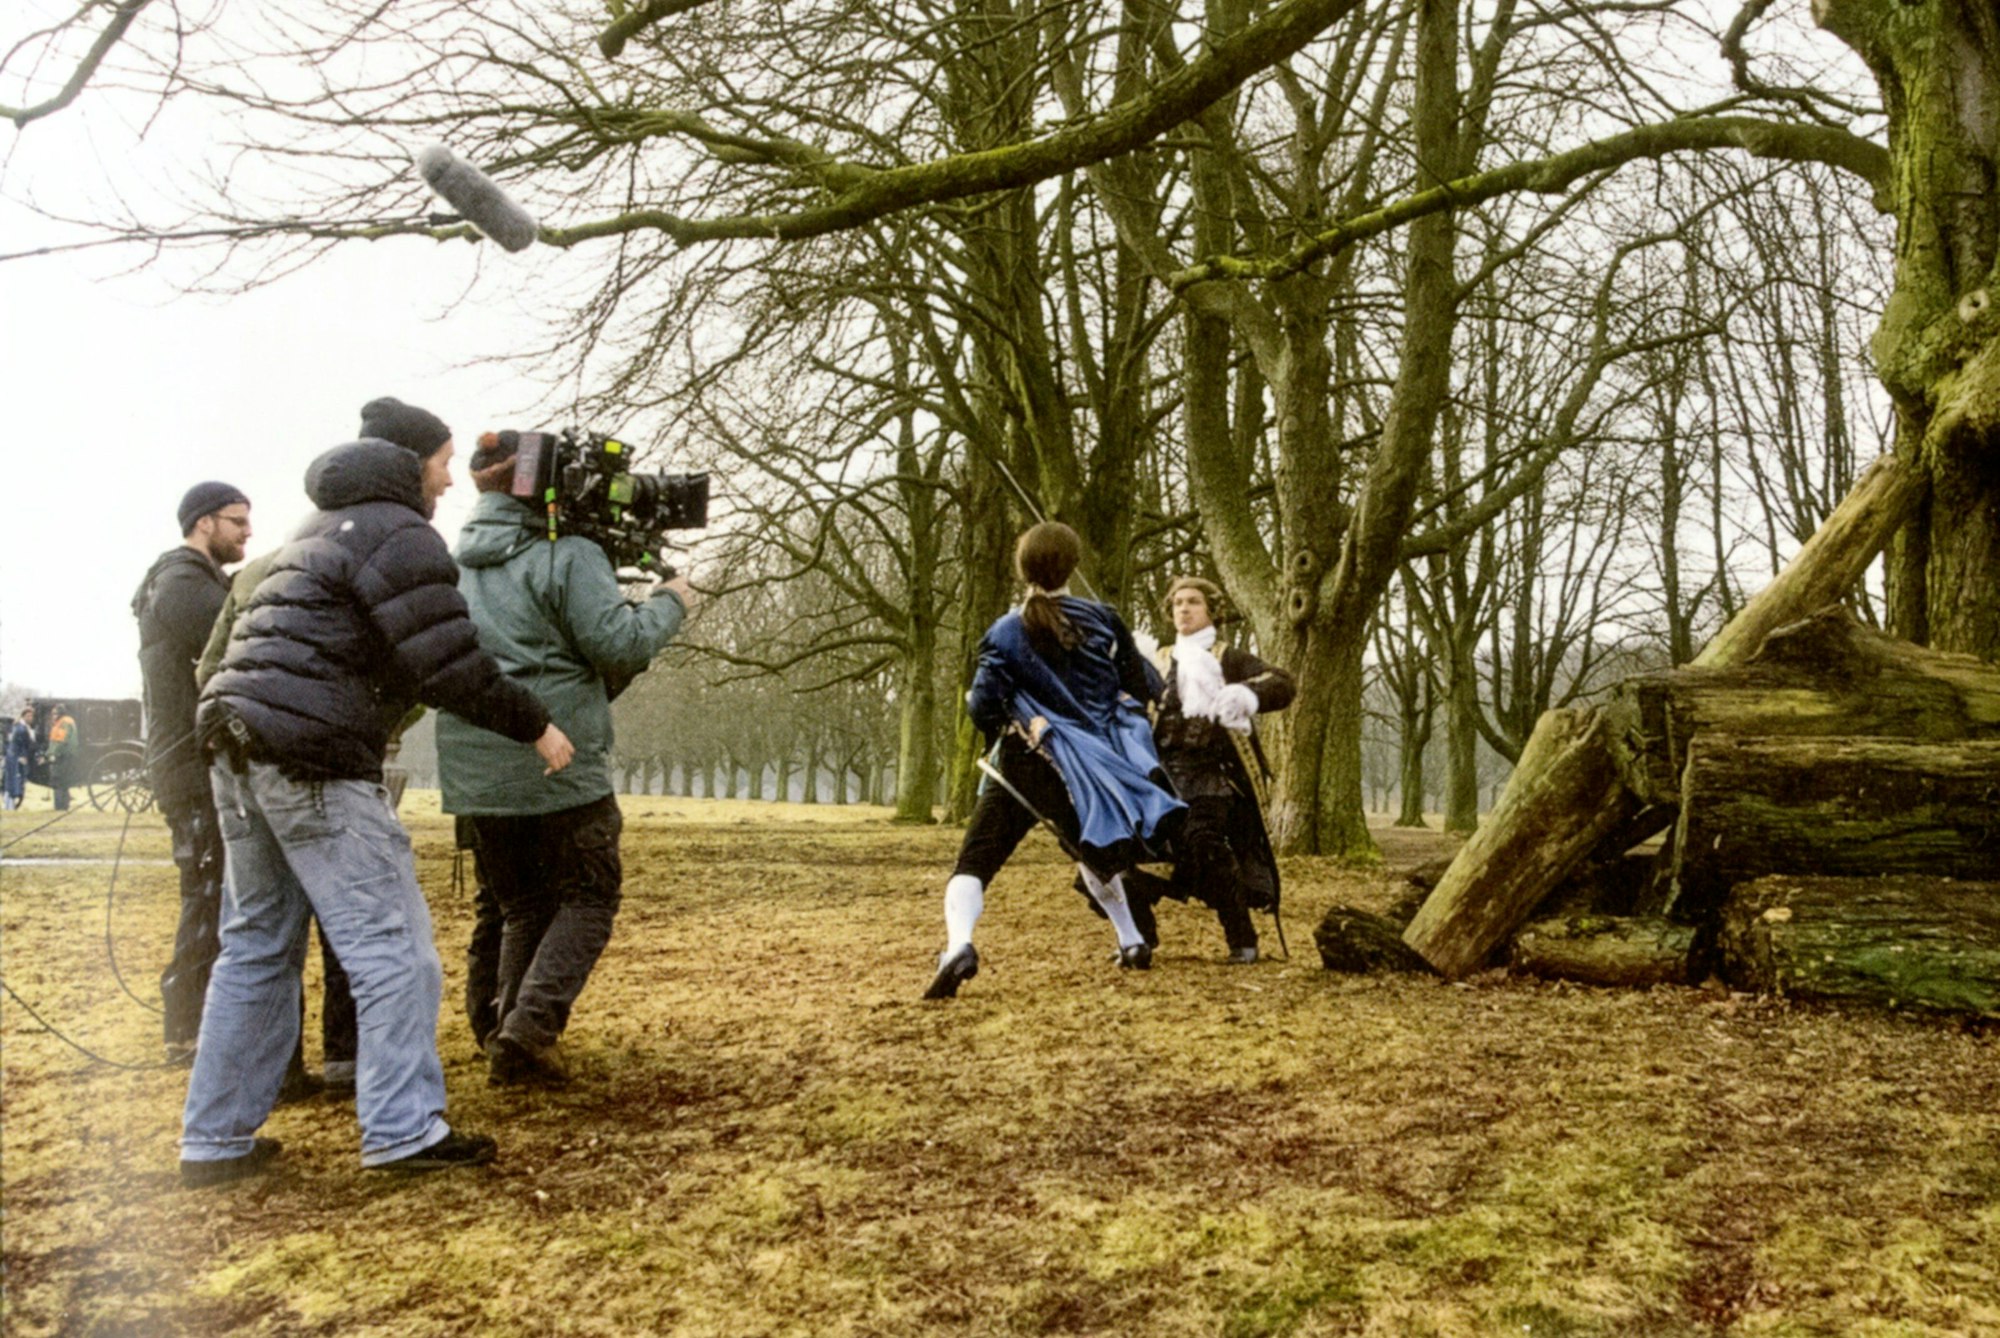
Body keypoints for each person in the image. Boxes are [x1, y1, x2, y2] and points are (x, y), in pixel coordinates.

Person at [180, 396, 574, 1188]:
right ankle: (402, 1130)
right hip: (311, 761)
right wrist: (538, 726)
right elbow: (450, 661)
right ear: (410, 464)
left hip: (234, 746)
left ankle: (214, 1142)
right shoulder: (401, 534)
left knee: (254, 949)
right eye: (442, 463)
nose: (449, 480)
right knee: (393, 949)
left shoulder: (311, 533)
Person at [437, 431, 690, 1087]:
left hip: (475, 770)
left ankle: (507, 1035)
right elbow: (617, 644)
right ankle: (527, 1030)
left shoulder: (454, 564)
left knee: (521, 905)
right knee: (589, 897)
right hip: (559, 762)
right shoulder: (570, 556)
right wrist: (673, 602)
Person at [924, 521, 1184, 1000]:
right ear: (1073, 566)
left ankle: (959, 945)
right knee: (1091, 849)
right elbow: (1146, 683)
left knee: (975, 862)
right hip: (1091, 770)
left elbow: (983, 705)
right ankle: (1131, 940)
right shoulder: (1105, 620)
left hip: (1024, 765)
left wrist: (1003, 707)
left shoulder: (1005, 630)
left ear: (1023, 570)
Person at [195, 541, 359, 1100]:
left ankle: (265, 1083)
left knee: (257, 937)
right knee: (352, 919)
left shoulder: (251, 576)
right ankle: (348, 1059)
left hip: (244, 757)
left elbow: (209, 670)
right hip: (329, 760)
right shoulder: (368, 558)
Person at [132, 481, 251, 1063]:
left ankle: (199, 1026)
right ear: (203, 523)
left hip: (193, 760)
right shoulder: (181, 582)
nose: (247, 531)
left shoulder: (191, 580)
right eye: (237, 521)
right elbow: (236, 644)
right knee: (206, 894)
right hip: (189, 766)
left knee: (214, 893)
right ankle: (186, 1032)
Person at [1145, 576, 1294, 963]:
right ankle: (1139, 936)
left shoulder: (1229, 657)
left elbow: (1282, 683)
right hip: (1160, 777)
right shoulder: (1157, 660)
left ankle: (1241, 937)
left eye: (1193, 601)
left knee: (1204, 844)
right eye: (1177, 603)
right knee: (1122, 849)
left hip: (1213, 777)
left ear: (1211, 610)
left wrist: (1246, 694)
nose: (1183, 609)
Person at [46, 704, 78, 811]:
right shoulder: (68, 721)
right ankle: (64, 806)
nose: (53, 716)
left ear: (60, 713)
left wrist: (52, 754)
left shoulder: (63, 723)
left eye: (55, 713)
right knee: (64, 782)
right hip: (68, 755)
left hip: (62, 756)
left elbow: (60, 740)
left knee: (58, 781)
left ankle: (59, 806)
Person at [3, 707, 31, 809]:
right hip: (17, 757)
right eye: (29, 716)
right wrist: (22, 756)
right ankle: (10, 805)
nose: (31, 718)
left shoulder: (17, 726)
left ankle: (9, 804)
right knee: (15, 781)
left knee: (11, 781)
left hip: (12, 756)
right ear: (24, 716)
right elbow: (22, 744)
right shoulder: (21, 728)